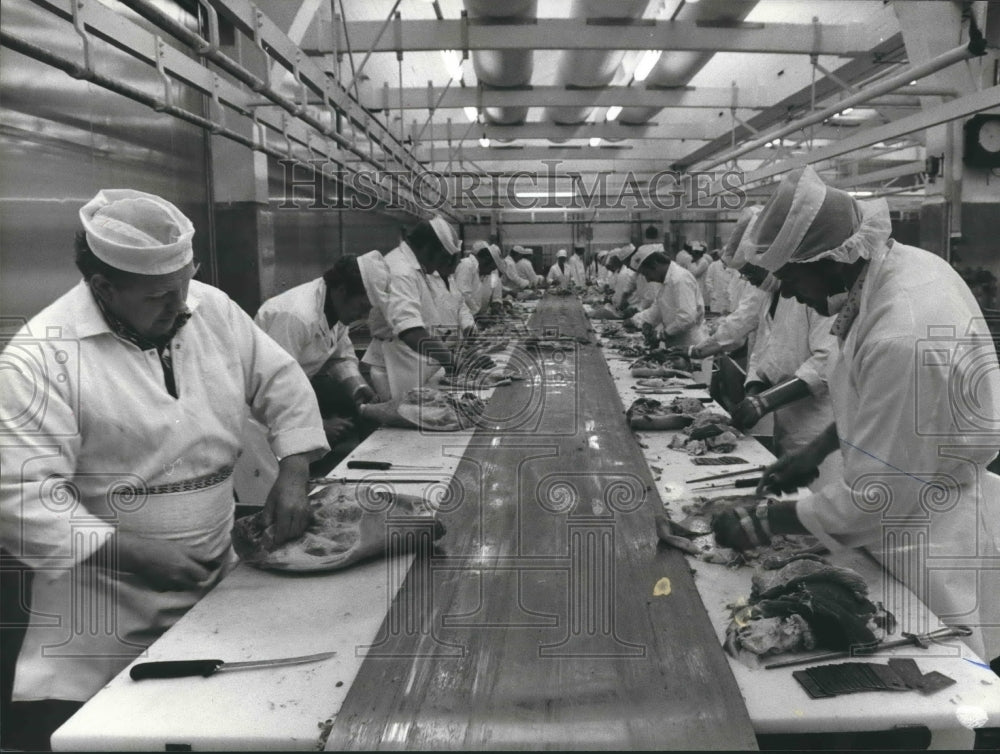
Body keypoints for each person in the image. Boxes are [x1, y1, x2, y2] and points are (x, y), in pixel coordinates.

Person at [0, 189, 327, 748]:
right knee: (119, 736)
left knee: (226, 727)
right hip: (105, 608)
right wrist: (134, 556)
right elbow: (20, 496)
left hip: (217, 577)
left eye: (184, 284)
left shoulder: (212, 309)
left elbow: (281, 382)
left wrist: (293, 472)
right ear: (103, 287)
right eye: (158, 296)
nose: (180, 306)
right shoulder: (41, 356)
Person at [711, 166, 1000, 661]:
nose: (794, 295)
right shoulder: (895, 270)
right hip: (912, 501)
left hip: (926, 533)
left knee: (937, 677)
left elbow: (878, 498)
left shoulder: (900, 332)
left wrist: (764, 520)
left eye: (792, 279)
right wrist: (820, 449)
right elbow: (873, 397)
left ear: (827, 260)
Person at [254, 256, 379, 469]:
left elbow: (340, 356)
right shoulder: (296, 316)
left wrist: (358, 387)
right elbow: (274, 385)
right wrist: (317, 427)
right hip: (259, 417)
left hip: (286, 408)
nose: (364, 316)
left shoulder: (335, 311)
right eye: (362, 307)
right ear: (341, 290)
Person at [382, 215, 464, 399]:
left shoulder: (415, 267)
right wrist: (451, 361)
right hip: (397, 365)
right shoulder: (400, 270)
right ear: (428, 248)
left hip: (414, 362)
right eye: (441, 258)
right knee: (403, 423)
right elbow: (411, 332)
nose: (438, 267)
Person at [628, 243, 707, 349]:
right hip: (677, 343)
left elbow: (687, 318)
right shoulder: (666, 281)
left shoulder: (679, 279)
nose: (648, 279)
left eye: (647, 274)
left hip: (690, 343)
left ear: (656, 264)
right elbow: (658, 307)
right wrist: (642, 321)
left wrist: (662, 334)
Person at [454, 241, 502, 317]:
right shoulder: (467, 265)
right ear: (485, 260)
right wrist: (478, 313)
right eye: (490, 268)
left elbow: (496, 295)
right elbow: (463, 295)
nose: (490, 273)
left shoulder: (484, 271)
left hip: (478, 317)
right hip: (466, 317)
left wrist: (496, 305)